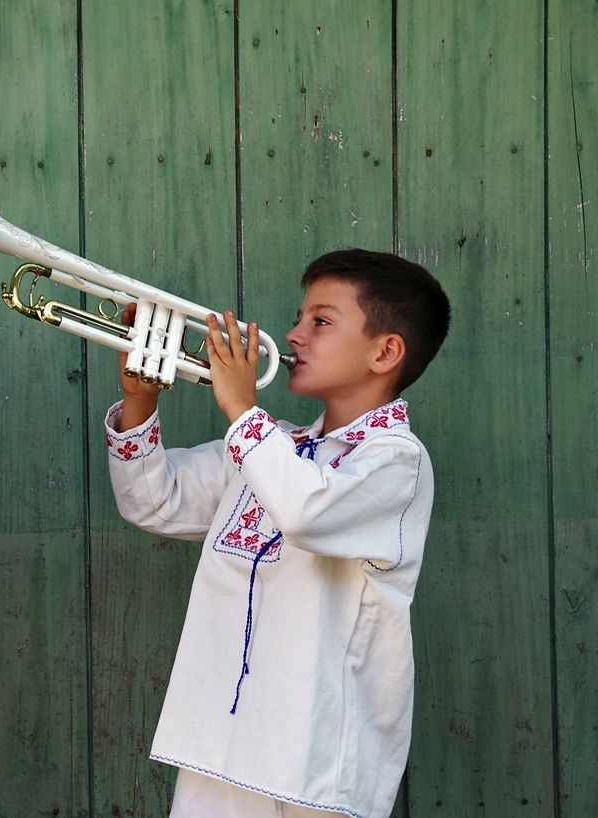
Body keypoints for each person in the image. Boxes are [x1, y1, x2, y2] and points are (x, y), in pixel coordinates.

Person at [103, 250, 450, 818]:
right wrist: (141, 399)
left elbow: (306, 511)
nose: (293, 334)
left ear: (385, 352)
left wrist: (241, 408)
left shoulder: (396, 462)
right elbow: (153, 501)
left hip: (317, 762)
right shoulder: (270, 446)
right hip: (219, 744)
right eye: (300, 316)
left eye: (321, 321)